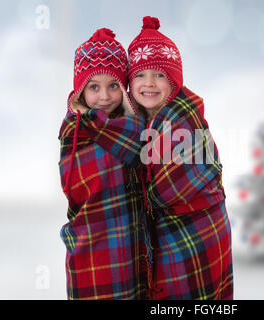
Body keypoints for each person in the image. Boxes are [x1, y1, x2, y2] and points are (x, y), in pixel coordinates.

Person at [127, 16, 234, 299]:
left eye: (159, 75)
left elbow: (166, 188)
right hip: (165, 230)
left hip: (198, 229)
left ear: (174, 81)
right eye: (139, 75)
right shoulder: (137, 122)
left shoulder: (183, 118)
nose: (149, 83)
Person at [58, 28, 150, 299]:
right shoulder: (74, 131)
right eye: (94, 87)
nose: (104, 97)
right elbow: (74, 184)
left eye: (113, 86)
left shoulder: (136, 127)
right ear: (80, 90)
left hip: (129, 243)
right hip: (91, 243)